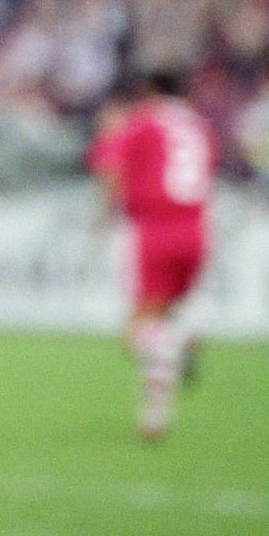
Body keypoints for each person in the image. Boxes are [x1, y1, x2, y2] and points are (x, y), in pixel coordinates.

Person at [89, 70, 216, 440]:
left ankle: (179, 342)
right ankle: (154, 418)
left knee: (136, 333)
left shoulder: (143, 122)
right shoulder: (199, 126)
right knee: (160, 324)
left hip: (156, 231)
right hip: (196, 231)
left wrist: (104, 215)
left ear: (148, 90)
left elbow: (109, 165)